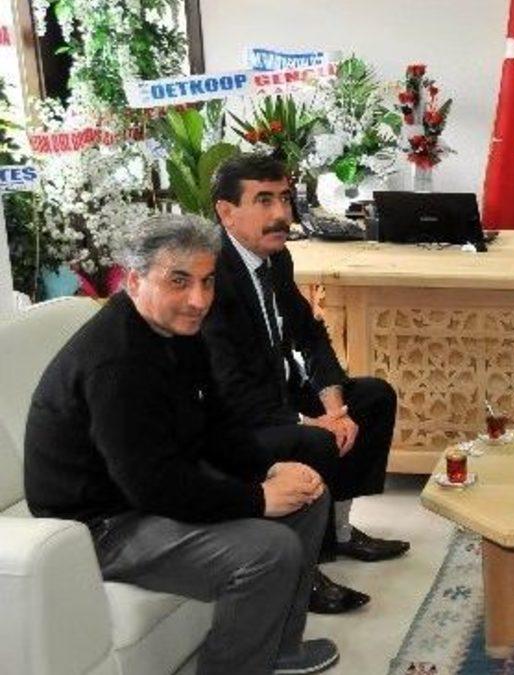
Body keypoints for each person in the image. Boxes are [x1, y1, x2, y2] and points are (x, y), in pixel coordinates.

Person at [23, 214, 339, 675]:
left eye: (207, 281)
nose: (198, 299)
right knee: (269, 550)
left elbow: (216, 427)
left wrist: (268, 470)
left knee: (309, 496)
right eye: (179, 281)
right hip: (101, 525)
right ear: (134, 280)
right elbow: (153, 486)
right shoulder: (116, 362)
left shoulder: (178, 332)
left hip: (145, 493)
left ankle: (279, 651)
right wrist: (257, 498)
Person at [202, 153, 408, 615]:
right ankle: (302, 568)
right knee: (312, 439)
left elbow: (310, 334)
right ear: (226, 212)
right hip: (234, 416)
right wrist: (308, 422)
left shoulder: (275, 257)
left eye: (284, 198)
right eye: (264, 201)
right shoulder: (212, 274)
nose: (281, 214)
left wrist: (334, 408)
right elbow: (229, 386)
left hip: (277, 392)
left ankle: (340, 530)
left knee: (372, 398)